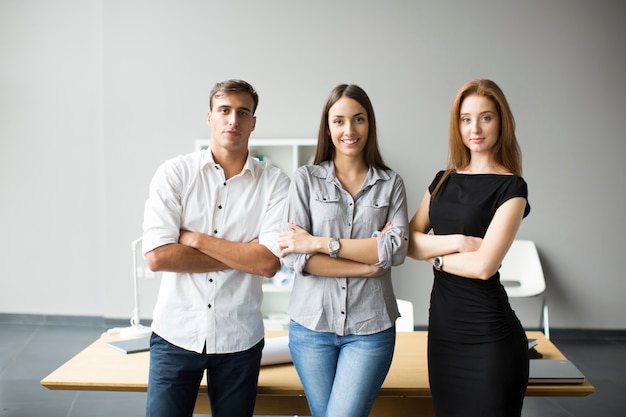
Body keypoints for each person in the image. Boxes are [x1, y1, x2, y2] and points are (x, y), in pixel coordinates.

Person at [141, 79, 290, 417]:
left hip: (240, 339)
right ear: (210, 117)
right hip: (175, 334)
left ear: (253, 122)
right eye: (224, 111)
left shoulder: (276, 183)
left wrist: (194, 239)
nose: (233, 120)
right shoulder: (175, 173)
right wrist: (242, 255)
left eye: (243, 112)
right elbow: (158, 256)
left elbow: (267, 263)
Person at [278, 84, 409, 417]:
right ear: (328, 127)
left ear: (370, 124)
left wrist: (320, 243)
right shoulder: (305, 180)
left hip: (371, 330)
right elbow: (296, 257)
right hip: (311, 329)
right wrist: (366, 264)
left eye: (358, 119)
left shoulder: (391, 183)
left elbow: (394, 251)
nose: (349, 130)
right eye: (339, 121)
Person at [407, 78, 530, 417]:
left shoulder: (512, 188)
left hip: (490, 339)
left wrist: (436, 259)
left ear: (501, 122)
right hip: (444, 334)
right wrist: (459, 243)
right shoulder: (442, 180)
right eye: (466, 118)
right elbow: (407, 242)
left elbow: (483, 267)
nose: (475, 127)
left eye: (486, 117)